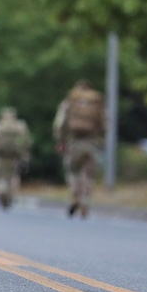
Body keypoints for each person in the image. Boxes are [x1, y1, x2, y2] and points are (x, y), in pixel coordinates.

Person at [53, 80, 105, 218]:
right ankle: (85, 200)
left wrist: (61, 141)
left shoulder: (70, 102)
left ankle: (75, 195)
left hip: (74, 143)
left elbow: (60, 124)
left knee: (73, 171)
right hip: (92, 143)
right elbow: (105, 123)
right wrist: (100, 139)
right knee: (88, 174)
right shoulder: (97, 102)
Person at [0, 107, 32, 209]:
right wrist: (25, 156)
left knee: (1, 176)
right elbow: (26, 143)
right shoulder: (20, 127)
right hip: (15, 157)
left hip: (1, 157)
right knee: (14, 176)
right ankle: (12, 195)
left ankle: (2, 190)